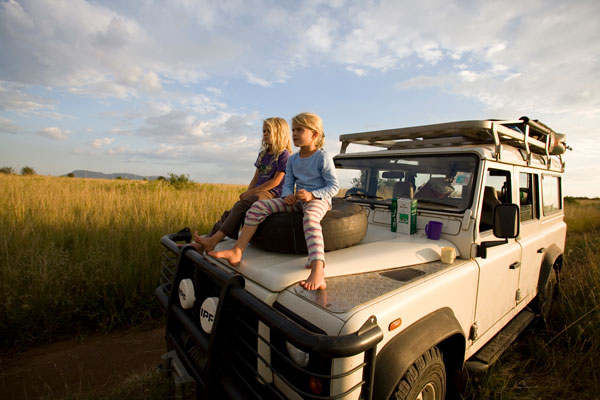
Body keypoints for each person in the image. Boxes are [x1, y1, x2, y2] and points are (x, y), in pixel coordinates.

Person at [210, 112, 339, 291]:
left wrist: (312, 195)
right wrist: (287, 196)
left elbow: (333, 187)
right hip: (297, 200)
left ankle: (318, 270)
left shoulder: (322, 157)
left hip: (319, 200)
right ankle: (237, 250)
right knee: (257, 206)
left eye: (299, 130)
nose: (294, 133)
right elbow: (288, 184)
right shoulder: (293, 159)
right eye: (293, 129)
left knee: (310, 218)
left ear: (314, 134)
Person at [187, 117, 292, 252]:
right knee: (231, 211)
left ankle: (213, 241)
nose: (265, 134)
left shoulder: (283, 155)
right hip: (258, 193)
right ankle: (205, 242)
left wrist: (251, 193)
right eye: (264, 131)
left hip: (274, 194)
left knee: (241, 205)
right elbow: (256, 178)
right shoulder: (263, 154)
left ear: (280, 133)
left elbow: (275, 181)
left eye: (269, 131)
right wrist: (248, 192)